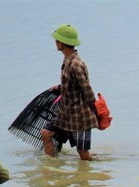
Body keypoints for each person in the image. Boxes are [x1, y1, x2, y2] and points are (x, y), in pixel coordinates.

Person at [41, 24, 98, 160]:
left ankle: (93, 171)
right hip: (66, 113)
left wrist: (96, 112)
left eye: (56, 40)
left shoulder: (76, 65)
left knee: (83, 153)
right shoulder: (67, 61)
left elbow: (87, 90)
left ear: (62, 43)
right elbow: (73, 84)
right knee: (46, 133)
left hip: (79, 116)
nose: (55, 43)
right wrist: (60, 87)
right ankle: (52, 168)